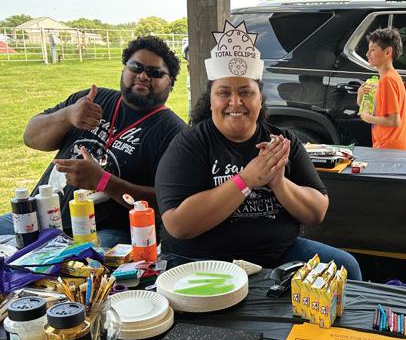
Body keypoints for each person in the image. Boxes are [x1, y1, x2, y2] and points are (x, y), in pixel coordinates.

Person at [155, 21, 362, 280]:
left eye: (246, 92)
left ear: (260, 99)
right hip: (204, 261)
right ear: (211, 101)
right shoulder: (189, 145)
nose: (235, 102)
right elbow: (178, 224)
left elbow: (317, 211)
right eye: (224, 93)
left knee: (346, 267)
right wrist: (246, 180)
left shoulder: (282, 141)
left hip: (279, 256)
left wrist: (278, 182)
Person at [0, 35, 187, 248]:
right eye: (136, 67)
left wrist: (104, 181)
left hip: (107, 232)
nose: (143, 76)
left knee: (88, 263)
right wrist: (67, 115)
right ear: (123, 70)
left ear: (171, 82)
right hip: (39, 215)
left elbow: (168, 204)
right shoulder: (92, 100)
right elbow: (31, 138)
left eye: (155, 72)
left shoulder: (174, 134)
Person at [357, 28, 406, 151]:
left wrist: (366, 118)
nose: (367, 54)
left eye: (373, 50)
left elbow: (394, 121)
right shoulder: (390, 77)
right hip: (392, 148)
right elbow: (375, 110)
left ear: (388, 52)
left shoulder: (387, 80)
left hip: (391, 150)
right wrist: (360, 97)